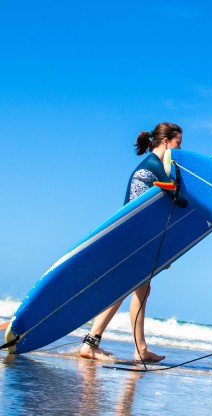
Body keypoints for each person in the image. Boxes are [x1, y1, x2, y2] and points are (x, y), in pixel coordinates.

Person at [79, 122, 184, 363]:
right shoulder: (155, 166)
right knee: (125, 289)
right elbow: (179, 200)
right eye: (177, 143)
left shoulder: (148, 166)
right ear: (166, 141)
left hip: (132, 236)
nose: (179, 149)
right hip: (136, 239)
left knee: (141, 289)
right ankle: (93, 341)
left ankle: (139, 348)